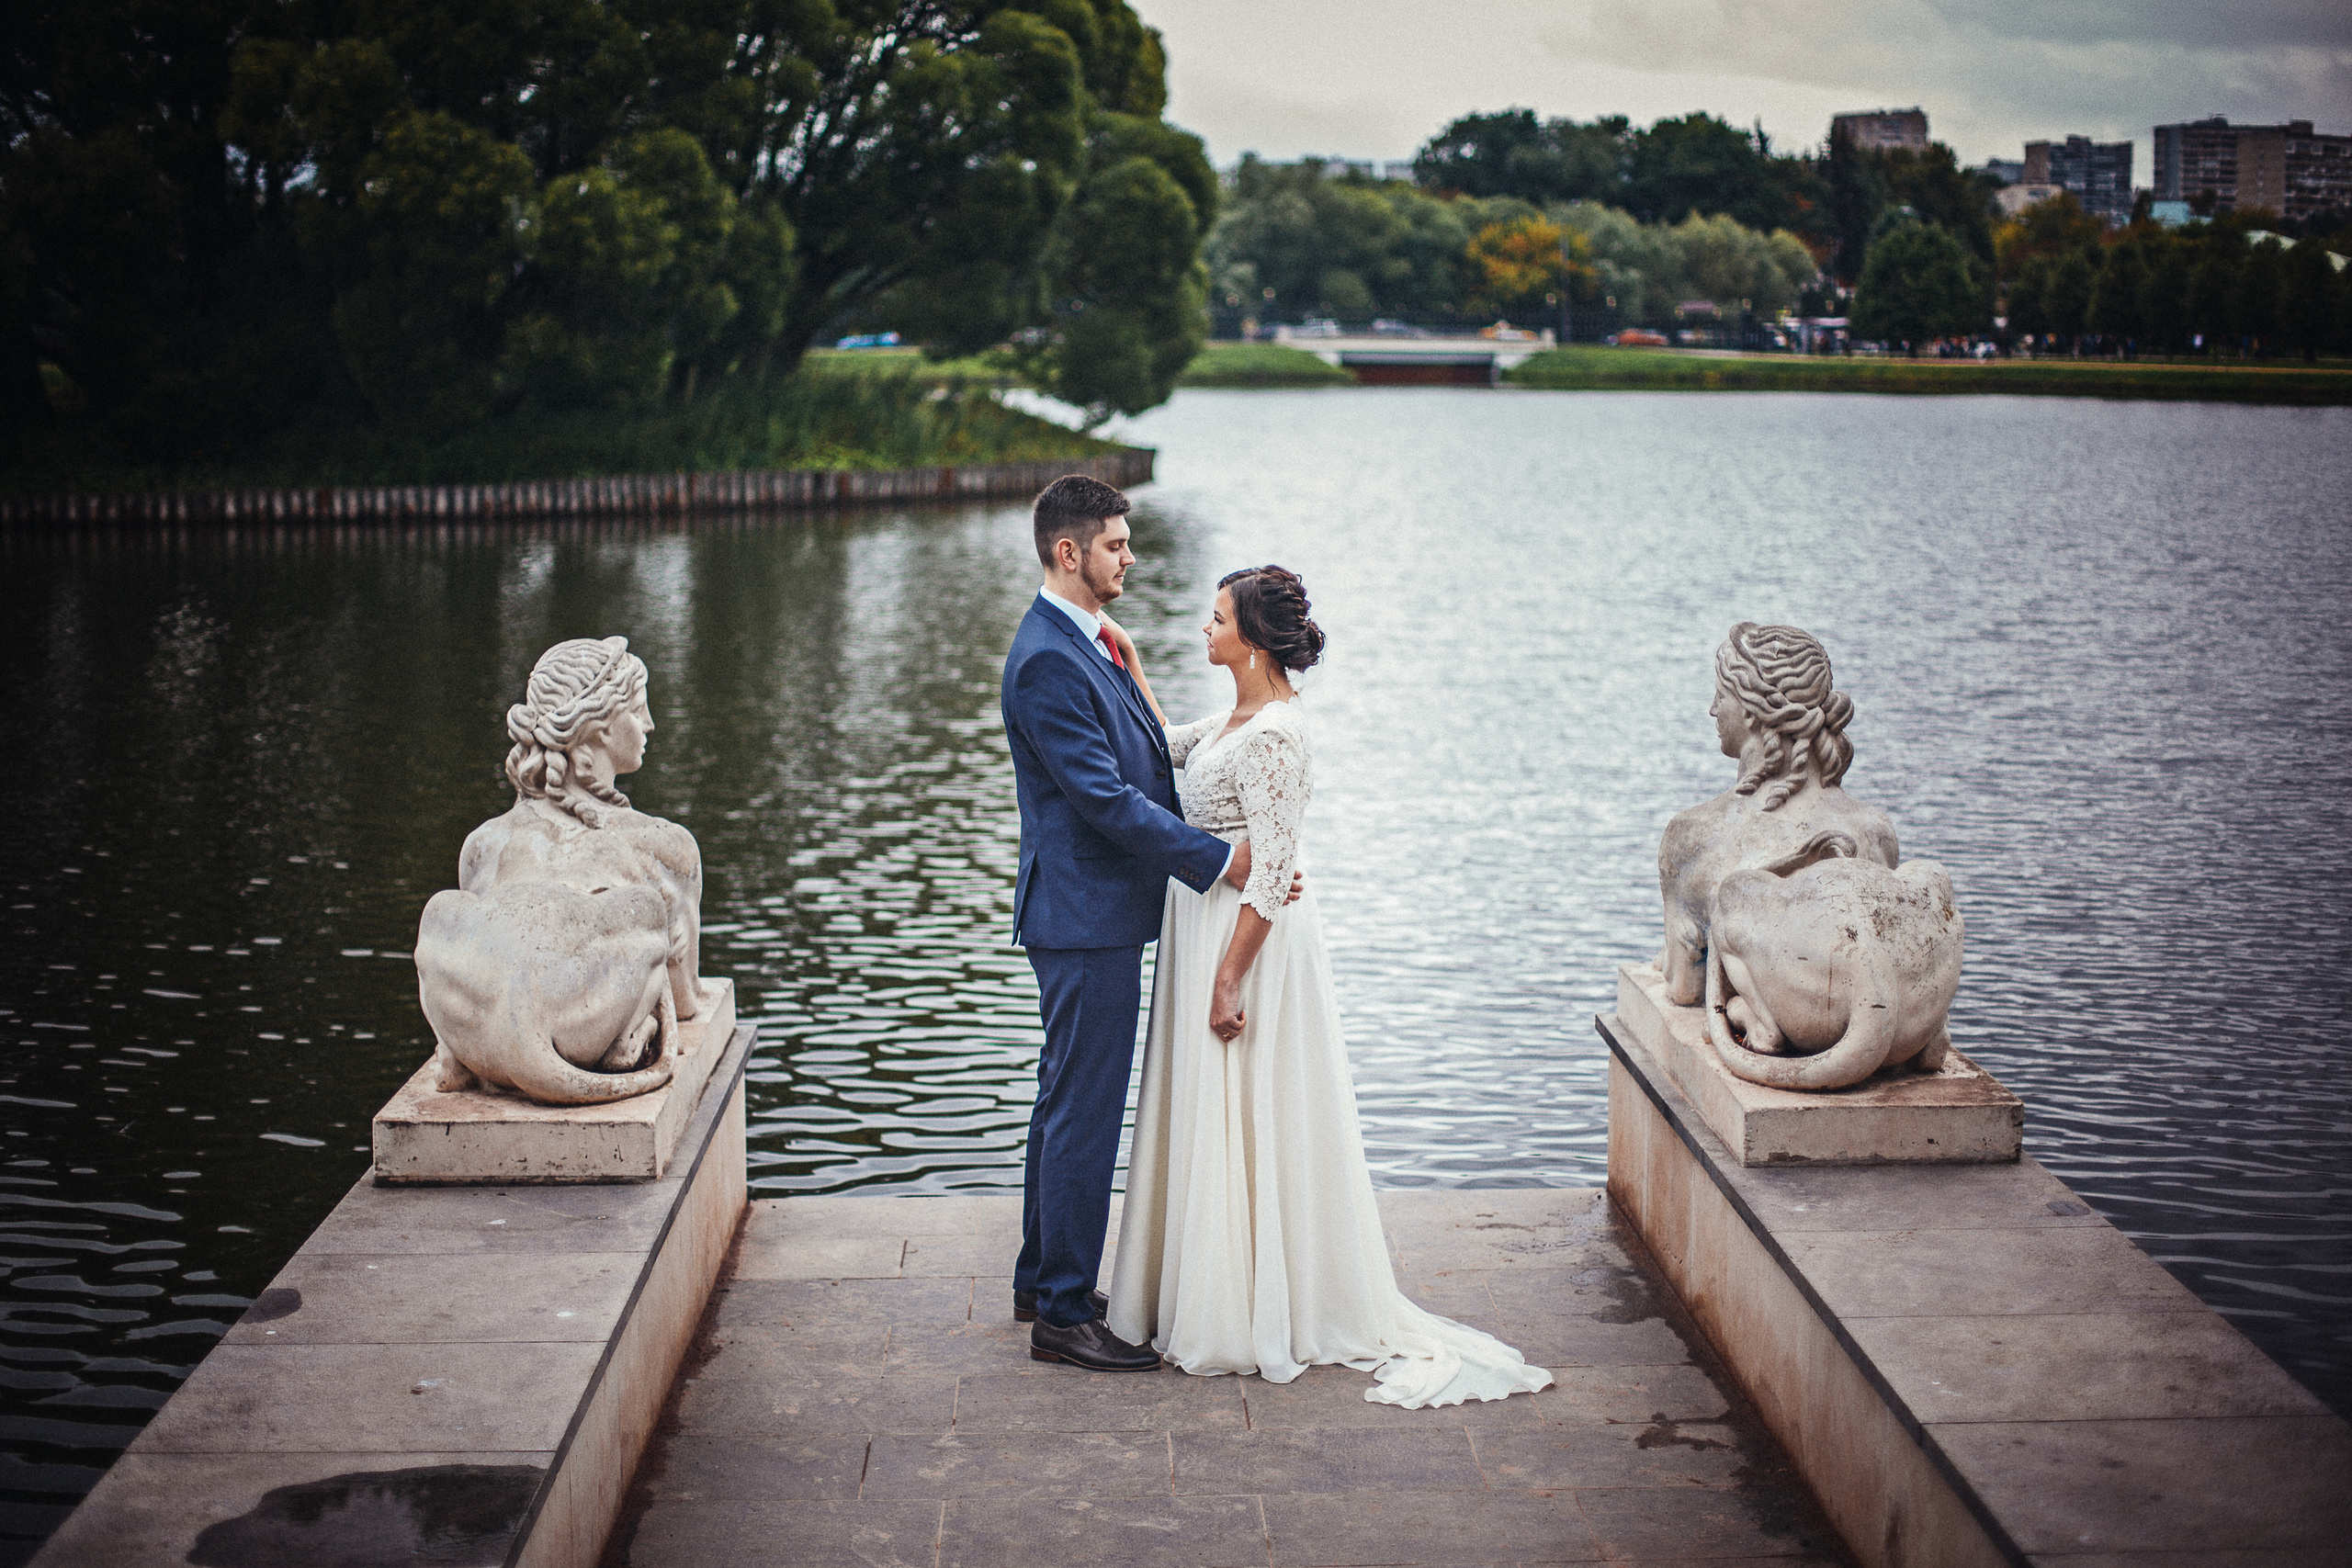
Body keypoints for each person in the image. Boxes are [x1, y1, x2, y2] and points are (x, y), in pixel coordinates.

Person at [1098, 567, 1552, 1407]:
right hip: (1204, 924)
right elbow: (1163, 748)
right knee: (1211, 1112)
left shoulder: (1277, 734)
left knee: (1249, 1110)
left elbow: (1273, 869)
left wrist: (1230, 977)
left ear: (1255, 639)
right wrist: (1129, 661)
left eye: (1218, 616)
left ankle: (1250, 1305)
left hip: (1248, 943)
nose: (1206, 626)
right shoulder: (1233, 718)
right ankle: (1209, 1281)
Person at [999, 475, 1285, 1373]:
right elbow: (1104, 799)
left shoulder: (1086, 641)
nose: (1131, 557)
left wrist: (1140, 671)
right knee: (1082, 1110)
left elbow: (1139, 755)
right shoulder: (1048, 656)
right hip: (1085, 915)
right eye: (1117, 545)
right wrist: (1219, 860)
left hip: (1086, 911)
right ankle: (1060, 1316)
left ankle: (1043, 1280)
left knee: (1061, 1099)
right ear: (1068, 553)